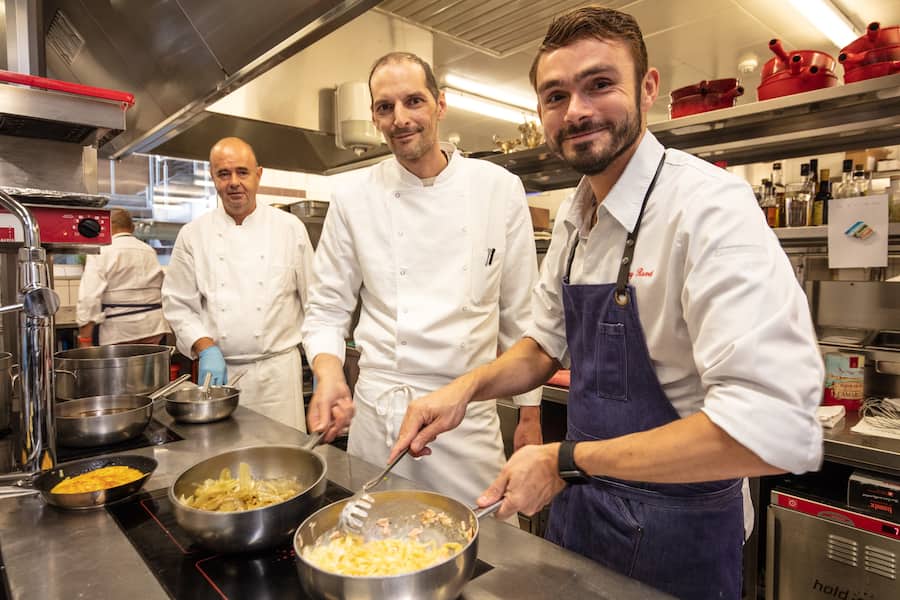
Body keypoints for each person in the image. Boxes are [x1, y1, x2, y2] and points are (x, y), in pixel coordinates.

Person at [389, 8, 824, 599]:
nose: (576, 111)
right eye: (555, 95)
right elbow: (543, 345)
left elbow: (772, 431)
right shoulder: (576, 216)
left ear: (648, 88)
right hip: (583, 520)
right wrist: (464, 389)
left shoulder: (708, 208)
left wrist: (566, 461)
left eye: (599, 84)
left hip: (681, 539)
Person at [302, 52, 542, 504]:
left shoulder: (498, 188)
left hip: (466, 419)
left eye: (414, 101)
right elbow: (327, 307)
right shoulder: (353, 196)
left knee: (481, 538)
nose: (400, 119)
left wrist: (529, 415)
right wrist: (329, 373)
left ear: (440, 104)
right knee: (371, 535)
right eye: (385, 107)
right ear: (374, 117)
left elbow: (521, 312)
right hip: (380, 417)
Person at [162, 137, 314, 431]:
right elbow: (178, 305)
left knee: (284, 453)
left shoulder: (290, 229)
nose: (234, 182)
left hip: (279, 377)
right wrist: (206, 348)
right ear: (213, 178)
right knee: (225, 455)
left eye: (242, 172)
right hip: (222, 377)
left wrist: (323, 361)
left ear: (258, 175)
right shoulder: (193, 235)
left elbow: (315, 301)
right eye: (224, 174)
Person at [76, 208, 169, 347]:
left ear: (105, 228)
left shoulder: (101, 250)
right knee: (149, 362)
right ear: (132, 228)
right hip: (154, 327)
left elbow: (89, 297)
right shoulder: (148, 250)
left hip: (119, 330)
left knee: (120, 362)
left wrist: (85, 337)